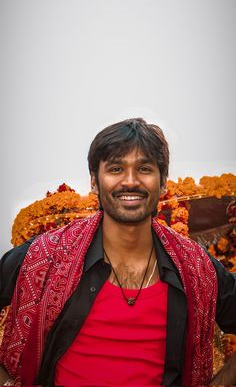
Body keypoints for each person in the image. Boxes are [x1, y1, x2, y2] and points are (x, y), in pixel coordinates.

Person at [0, 118, 235, 387]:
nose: (130, 181)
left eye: (144, 168)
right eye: (115, 168)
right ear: (94, 182)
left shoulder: (194, 267)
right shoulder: (47, 255)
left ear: (162, 183)